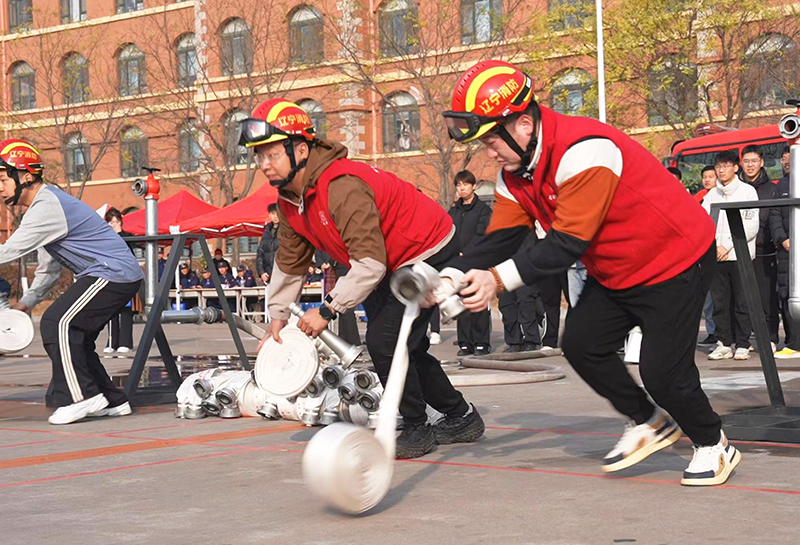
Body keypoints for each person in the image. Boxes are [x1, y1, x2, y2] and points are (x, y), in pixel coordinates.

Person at [440, 60, 739, 485]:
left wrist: (497, 280)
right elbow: (500, 239)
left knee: (662, 373)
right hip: (618, 270)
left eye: (491, 139)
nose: (489, 153)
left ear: (523, 124)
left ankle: (713, 443)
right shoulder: (515, 173)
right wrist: (448, 275)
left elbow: (567, 243)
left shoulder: (584, 149)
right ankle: (649, 421)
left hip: (675, 260)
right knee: (582, 345)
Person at [241, 98, 483, 459]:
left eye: (271, 154)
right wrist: (276, 316)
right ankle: (461, 416)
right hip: (387, 262)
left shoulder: (341, 186)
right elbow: (290, 261)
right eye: (258, 156)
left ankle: (417, 428)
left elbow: (369, 263)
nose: (263, 164)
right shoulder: (290, 201)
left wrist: (327, 309)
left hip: (425, 248)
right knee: (406, 346)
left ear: (301, 149)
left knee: (386, 342)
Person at [0, 139, 143, 424]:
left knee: (58, 323)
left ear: (25, 176)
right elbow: (49, 269)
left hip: (112, 273)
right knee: (78, 337)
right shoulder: (42, 208)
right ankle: (112, 400)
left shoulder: (47, 206)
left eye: (3, 179)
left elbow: (8, 251)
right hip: (110, 274)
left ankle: (81, 398)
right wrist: (27, 303)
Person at [703, 150, 759, 361]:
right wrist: (714, 247)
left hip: (739, 256)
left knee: (742, 303)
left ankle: (743, 343)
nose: (721, 170)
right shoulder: (711, 195)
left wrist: (725, 246)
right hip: (717, 257)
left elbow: (751, 225)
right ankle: (724, 343)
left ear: (736, 168)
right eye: (718, 166)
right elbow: (704, 222)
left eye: (725, 166)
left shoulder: (748, 192)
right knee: (720, 303)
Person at [739, 145, 781, 351]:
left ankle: (770, 337)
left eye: (754, 161)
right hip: (739, 249)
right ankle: (742, 340)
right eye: (746, 161)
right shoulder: (736, 188)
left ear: (762, 163)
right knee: (741, 298)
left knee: (766, 297)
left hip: (764, 249)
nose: (750, 165)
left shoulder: (771, 189)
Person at [448, 170, 492, 356]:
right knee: (462, 302)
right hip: (457, 263)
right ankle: (465, 343)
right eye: (458, 185)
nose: (462, 188)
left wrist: (468, 253)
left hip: (476, 262)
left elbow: (482, 235)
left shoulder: (483, 210)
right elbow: (448, 233)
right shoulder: (454, 211)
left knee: (478, 303)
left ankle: (482, 343)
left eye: (465, 184)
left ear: (474, 186)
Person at [774, 147, 800, 358]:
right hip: (787, 251)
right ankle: (793, 342)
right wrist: (782, 239)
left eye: (790, 158)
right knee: (787, 295)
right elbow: (774, 213)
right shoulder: (782, 185)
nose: (786, 162)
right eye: (784, 159)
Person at [103, 207, 135, 354]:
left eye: (116, 222)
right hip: (111, 276)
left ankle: (125, 342)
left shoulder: (127, 237)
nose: (113, 225)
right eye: (111, 222)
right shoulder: (104, 238)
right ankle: (112, 341)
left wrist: (119, 232)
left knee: (126, 311)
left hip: (126, 277)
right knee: (111, 311)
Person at [696, 165, 718, 345]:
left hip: (722, 251)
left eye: (711, 176)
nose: (707, 180)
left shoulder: (722, 195)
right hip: (703, 252)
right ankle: (712, 332)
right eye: (705, 177)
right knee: (708, 298)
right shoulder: (698, 199)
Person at [257, 204, 280, 284]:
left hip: (283, 273)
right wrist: (261, 272)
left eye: (277, 213)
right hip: (269, 275)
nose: (275, 216)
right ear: (269, 215)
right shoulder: (266, 232)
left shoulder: (286, 231)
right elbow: (260, 254)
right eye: (273, 213)